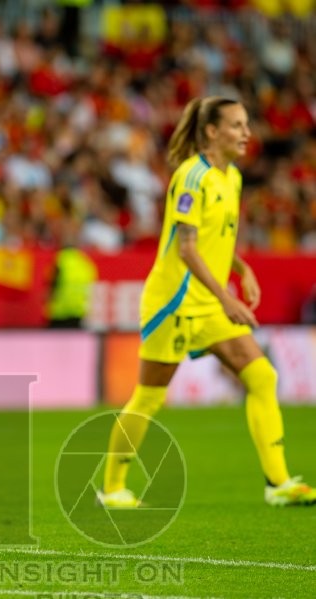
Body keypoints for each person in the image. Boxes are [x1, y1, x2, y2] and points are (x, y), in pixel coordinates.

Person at [98, 96, 316, 508]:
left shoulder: (230, 177)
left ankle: (279, 483)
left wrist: (242, 268)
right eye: (236, 125)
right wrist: (227, 295)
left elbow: (217, 240)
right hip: (175, 303)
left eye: (247, 124)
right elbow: (187, 248)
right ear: (212, 131)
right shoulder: (192, 177)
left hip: (211, 304)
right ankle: (112, 489)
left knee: (262, 377)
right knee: (150, 396)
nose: (246, 133)